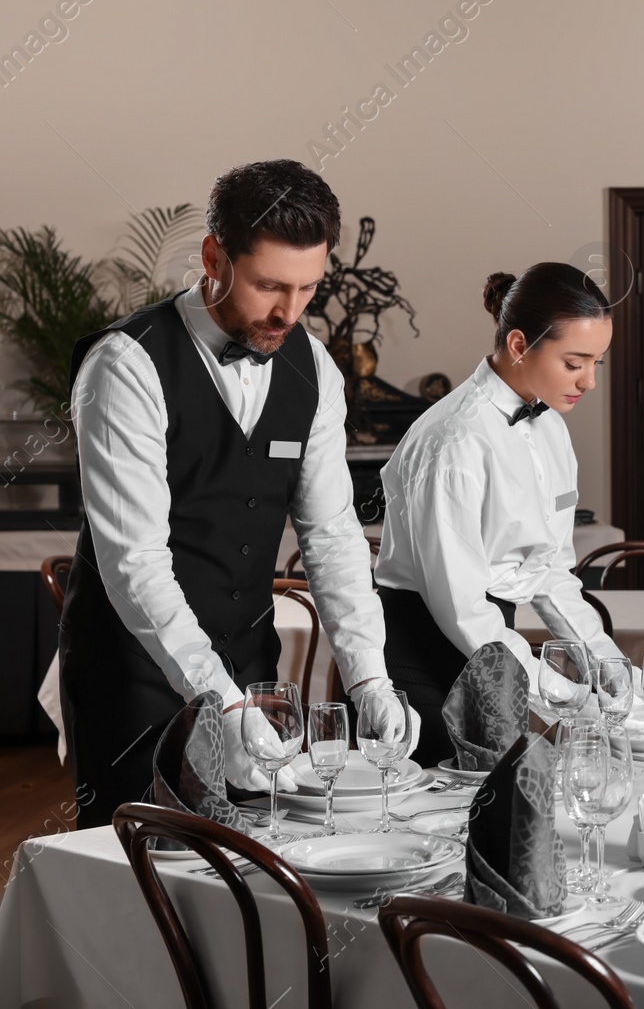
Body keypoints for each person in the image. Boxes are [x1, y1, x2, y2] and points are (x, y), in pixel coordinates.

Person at [60, 159, 416, 828]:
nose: (289, 311)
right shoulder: (126, 365)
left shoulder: (313, 369)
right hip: (134, 678)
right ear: (213, 256)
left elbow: (333, 535)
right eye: (269, 285)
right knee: (136, 883)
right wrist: (218, 702)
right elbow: (134, 562)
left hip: (254, 670)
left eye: (309, 288)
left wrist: (369, 677)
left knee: (255, 879)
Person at [375, 262, 624, 766]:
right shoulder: (453, 440)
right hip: (426, 657)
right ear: (517, 345)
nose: (590, 381)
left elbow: (552, 572)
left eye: (597, 362)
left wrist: (606, 662)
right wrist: (552, 687)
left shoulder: (551, 428)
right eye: (575, 363)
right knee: (441, 820)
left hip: (494, 645)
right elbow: (461, 605)